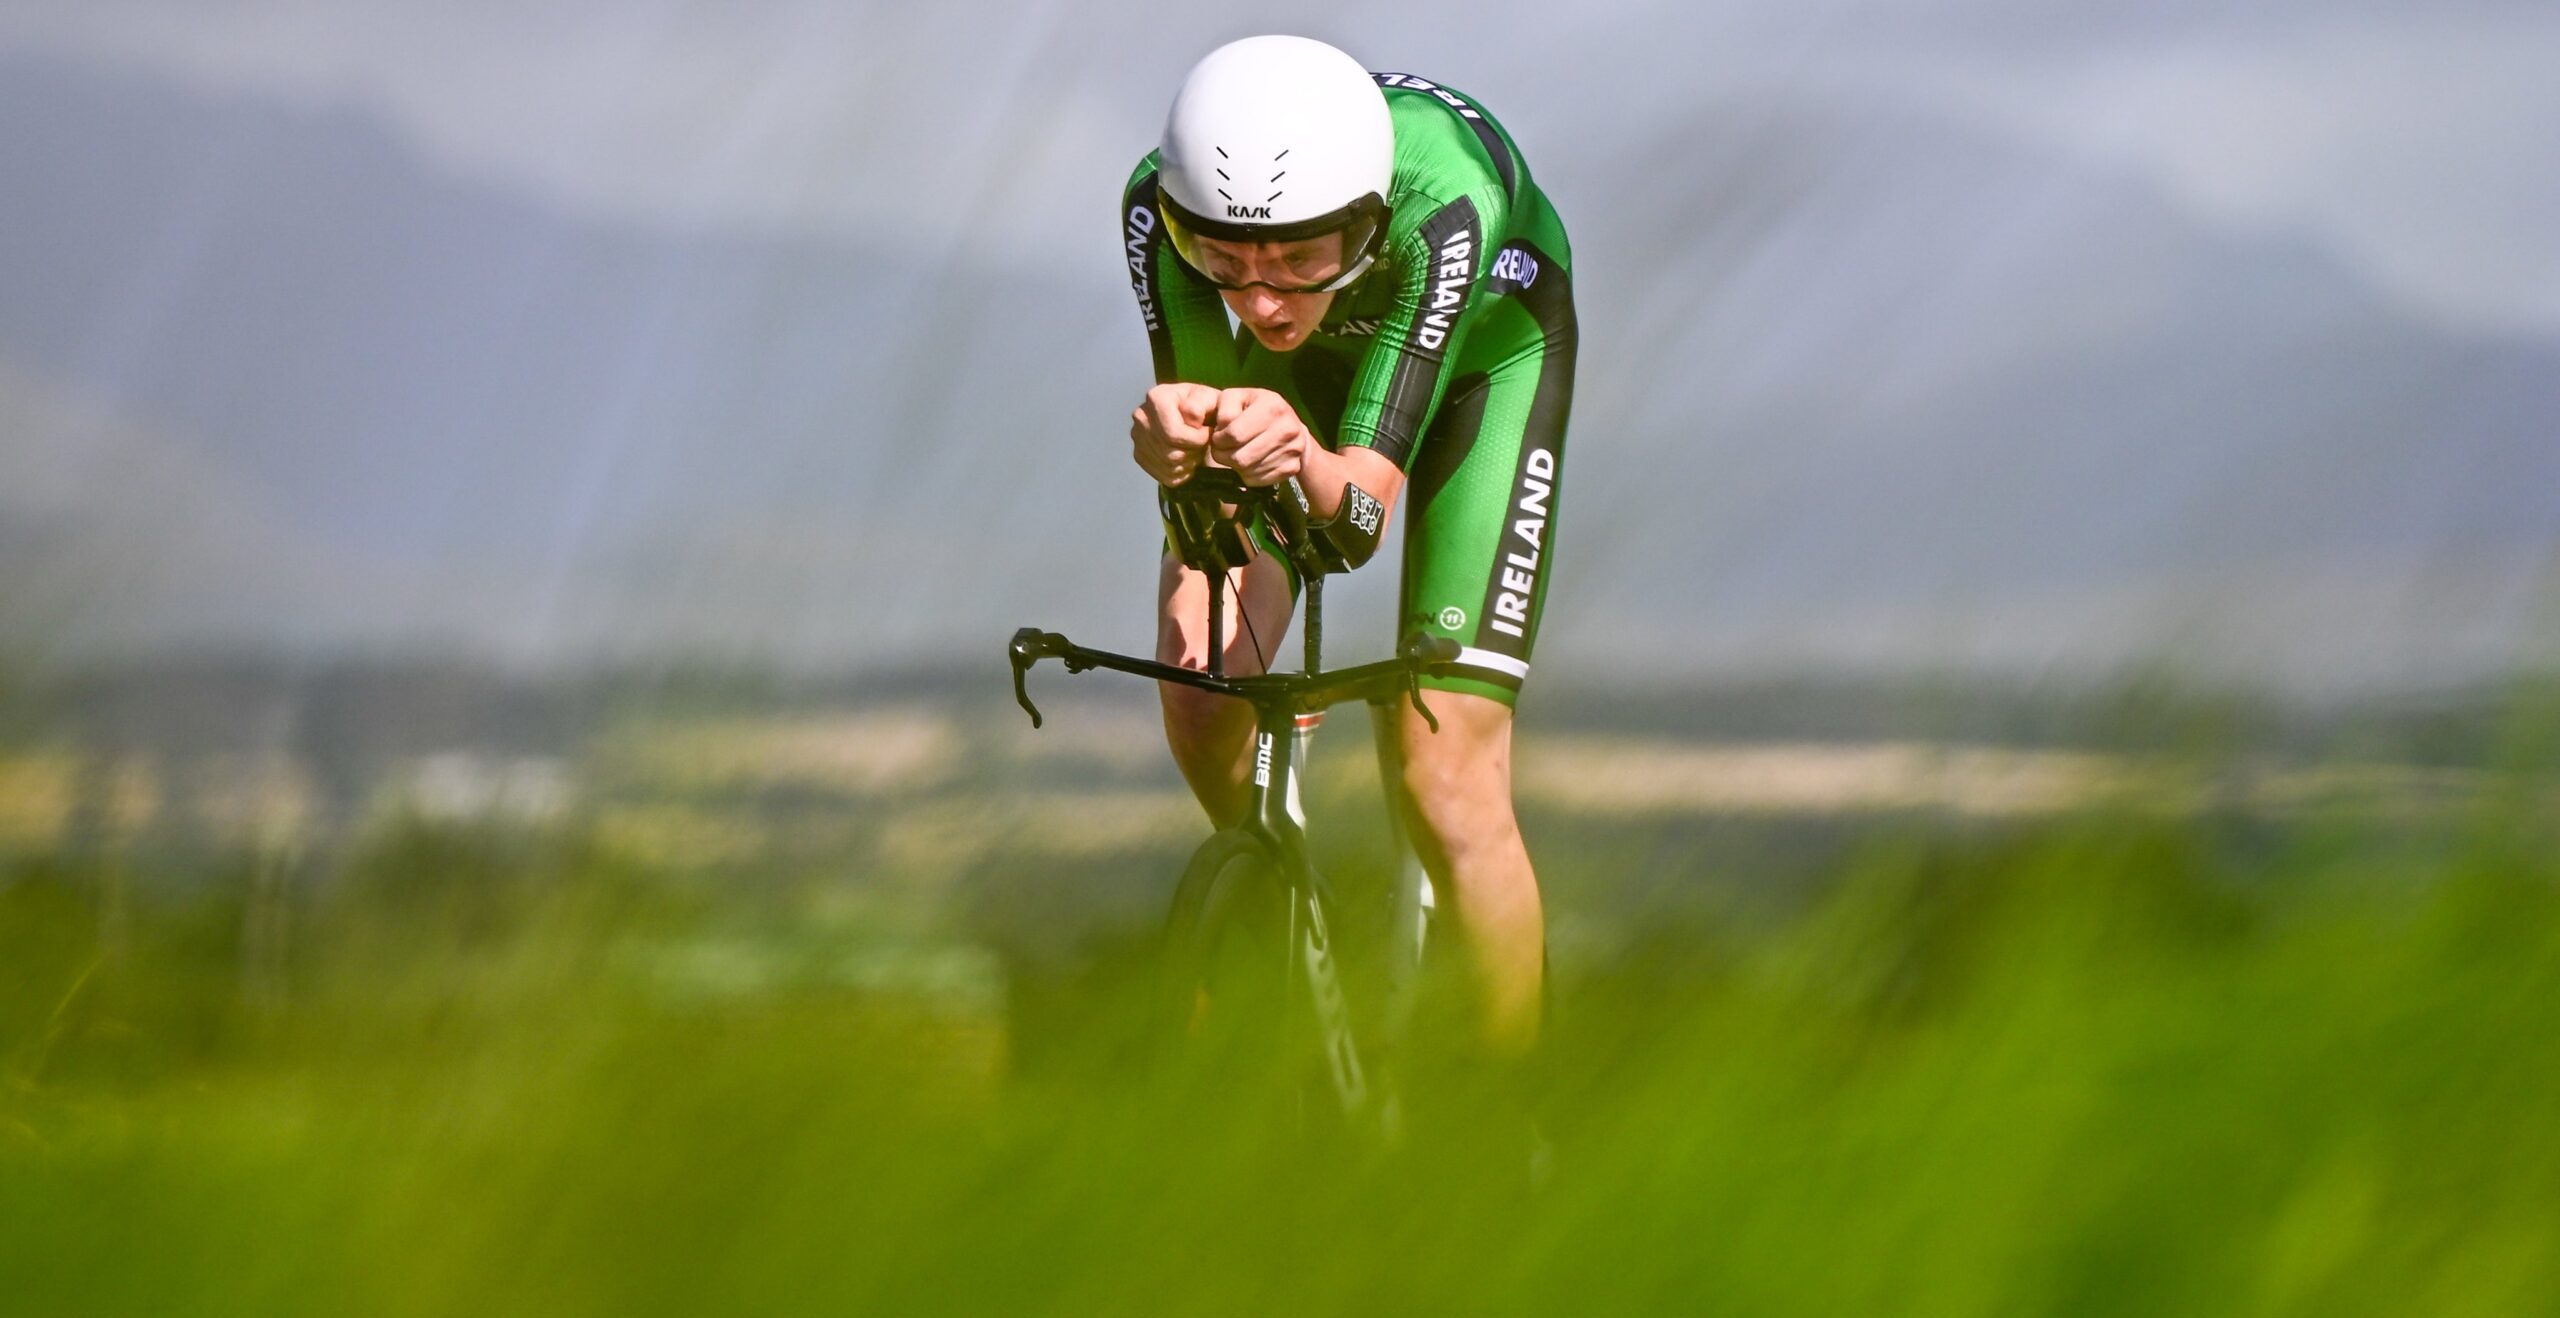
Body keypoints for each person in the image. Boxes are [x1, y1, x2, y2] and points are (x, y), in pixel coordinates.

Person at [1121, 35, 1576, 1069]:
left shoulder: (1448, 201)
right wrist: (1172, 452)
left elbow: (1354, 525)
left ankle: (1507, 1124)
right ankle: (1290, 906)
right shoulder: (1159, 209)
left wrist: (1311, 467)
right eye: (1226, 266)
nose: (1264, 300)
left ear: (1366, 230)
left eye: (1301, 260)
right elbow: (1206, 471)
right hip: (1312, 389)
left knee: (1443, 778)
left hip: (1484, 364)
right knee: (1198, 691)